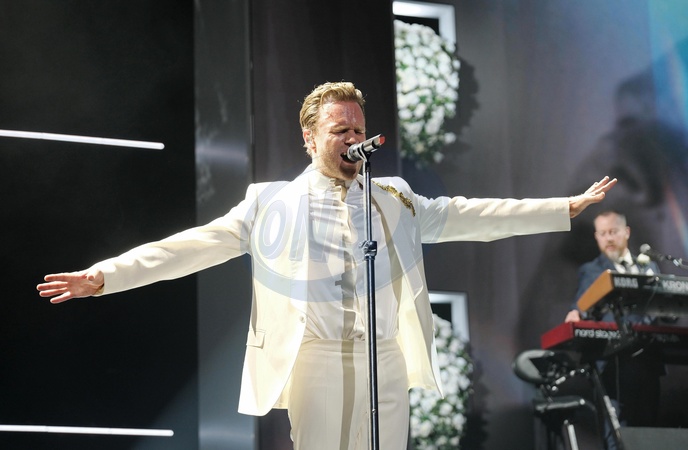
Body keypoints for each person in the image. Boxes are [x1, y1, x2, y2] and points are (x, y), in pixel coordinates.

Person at [37, 81, 616, 450]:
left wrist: (560, 208)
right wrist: (107, 275)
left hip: (385, 357)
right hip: (315, 356)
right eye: (341, 130)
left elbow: (470, 214)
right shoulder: (269, 203)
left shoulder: (394, 197)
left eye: (359, 130)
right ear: (310, 138)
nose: (354, 139)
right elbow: (191, 245)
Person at [565, 210, 663, 449]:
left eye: (613, 232)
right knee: (617, 434)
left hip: (647, 360)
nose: (608, 238)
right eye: (602, 233)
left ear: (626, 232)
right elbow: (582, 304)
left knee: (651, 433)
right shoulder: (591, 270)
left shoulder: (649, 266)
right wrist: (575, 313)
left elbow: (665, 310)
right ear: (596, 237)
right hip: (612, 363)